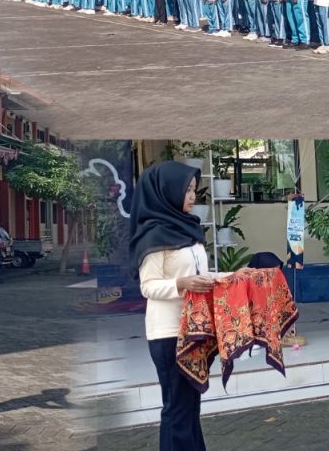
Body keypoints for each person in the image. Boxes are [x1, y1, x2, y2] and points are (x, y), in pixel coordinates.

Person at [133, 162, 213, 451]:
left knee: (191, 407)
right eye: (186, 191)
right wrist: (182, 284)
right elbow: (148, 286)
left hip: (195, 329)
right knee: (176, 408)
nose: (192, 196)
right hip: (168, 334)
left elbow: (200, 277)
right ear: (167, 191)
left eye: (194, 190)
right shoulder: (154, 235)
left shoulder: (190, 228)